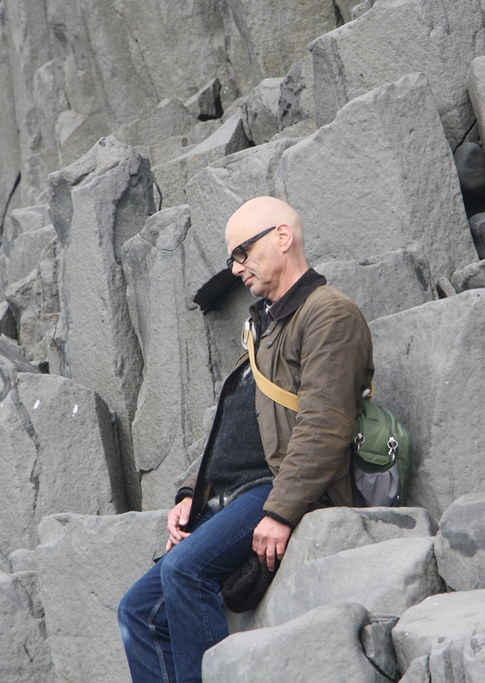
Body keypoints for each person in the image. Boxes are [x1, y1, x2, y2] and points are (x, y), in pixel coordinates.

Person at [117, 196, 374, 683]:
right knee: (137, 610)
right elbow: (234, 422)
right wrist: (191, 492)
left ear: (282, 237)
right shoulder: (264, 324)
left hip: (274, 486)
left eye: (241, 253)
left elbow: (325, 424)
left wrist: (280, 511)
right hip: (229, 496)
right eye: (232, 258)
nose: (235, 269)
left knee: (185, 572)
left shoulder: (329, 314)